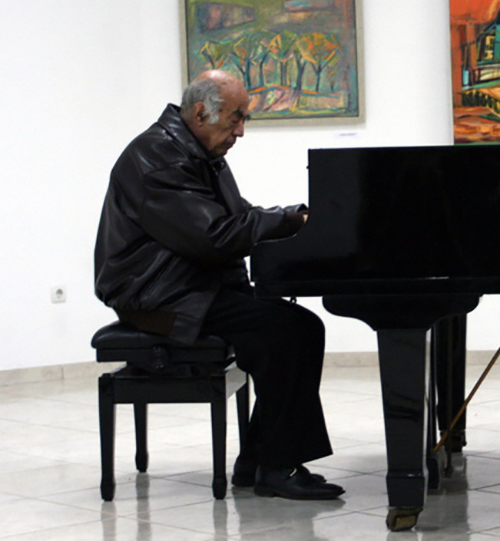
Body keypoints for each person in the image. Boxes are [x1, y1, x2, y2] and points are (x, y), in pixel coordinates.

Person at [94, 70, 344, 500]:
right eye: (235, 119)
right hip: (155, 295)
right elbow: (213, 236)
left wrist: (293, 218)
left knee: (300, 328)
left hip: (188, 284)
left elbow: (236, 216)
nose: (240, 131)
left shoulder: (196, 152)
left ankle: (259, 460)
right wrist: (285, 222)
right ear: (200, 113)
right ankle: (275, 466)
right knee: (289, 331)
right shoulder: (158, 158)